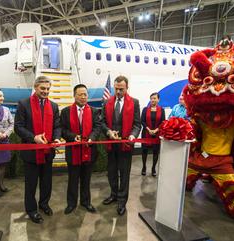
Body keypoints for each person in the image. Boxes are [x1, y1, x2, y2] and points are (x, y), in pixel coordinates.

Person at [14, 76, 62, 224]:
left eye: (48, 89)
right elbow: (18, 127)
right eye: (42, 88)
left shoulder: (53, 106)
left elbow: (57, 126)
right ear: (35, 87)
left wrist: (56, 138)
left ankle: (44, 204)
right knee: (31, 184)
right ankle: (32, 210)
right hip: (31, 153)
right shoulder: (24, 104)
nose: (45, 91)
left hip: (47, 153)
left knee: (46, 182)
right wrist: (33, 137)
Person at [100, 75, 141, 216]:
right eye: (116, 89)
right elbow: (103, 122)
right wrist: (108, 131)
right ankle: (114, 194)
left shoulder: (134, 103)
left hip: (125, 146)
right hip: (111, 145)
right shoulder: (107, 102)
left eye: (121, 89)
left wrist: (132, 136)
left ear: (127, 88)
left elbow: (137, 124)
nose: (118, 92)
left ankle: (122, 200)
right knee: (111, 172)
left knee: (124, 174)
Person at [61, 84, 100, 215]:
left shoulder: (94, 111)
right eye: (80, 94)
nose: (83, 97)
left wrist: (91, 138)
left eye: (85, 94)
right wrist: (73, 137)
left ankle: (86, 202)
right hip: (73, 152)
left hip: (89, 151)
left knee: (86, 179)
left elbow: (97, 127)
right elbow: (62, 130)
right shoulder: (66, 111)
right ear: (74, 95)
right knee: (73, 179)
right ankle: (71, 203)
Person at [141, 92, 166, 176]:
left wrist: (156, 130)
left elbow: (163, 122)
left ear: (158, 99)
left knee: (155, 152)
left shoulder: (161, 110)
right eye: (151, 98)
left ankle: (153, 168)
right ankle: (144, 167)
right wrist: (148, 129)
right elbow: (142, 121)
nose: (152, 100)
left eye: (154, 98)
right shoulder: (145, 109)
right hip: (146, 133)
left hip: (157, 134)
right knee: (144, 151)